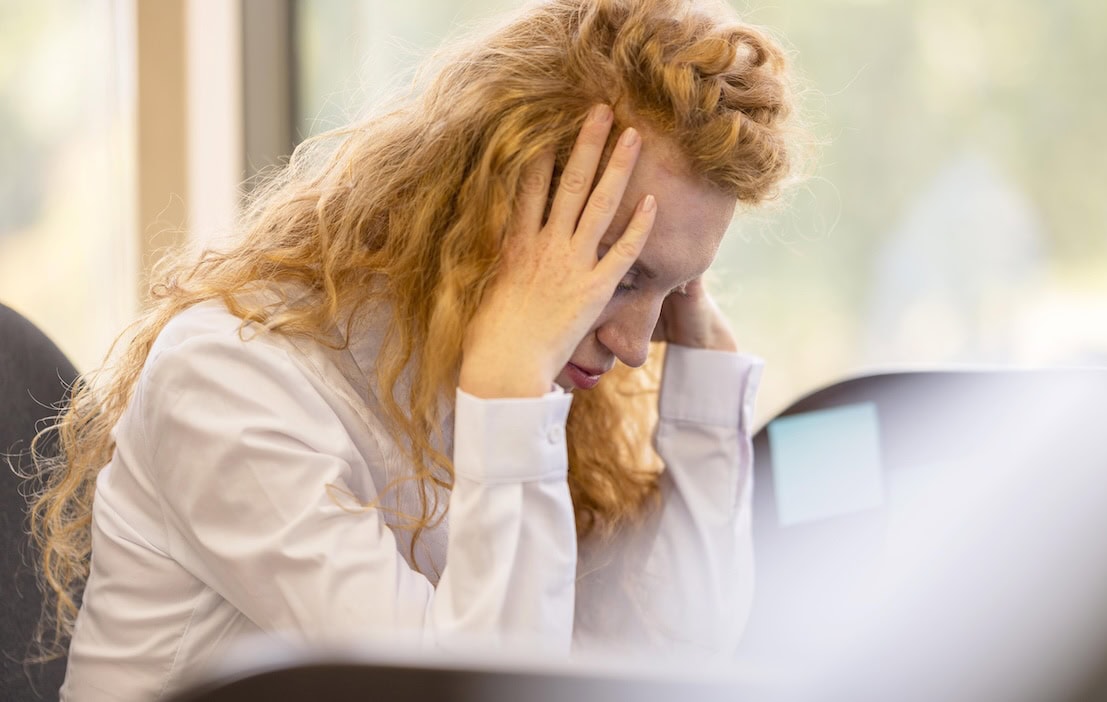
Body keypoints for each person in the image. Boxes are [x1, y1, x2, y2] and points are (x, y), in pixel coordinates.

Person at [29, 0, 800, 699]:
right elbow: (481, 694)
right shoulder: (231, 381)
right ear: (491, 203)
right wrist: (510, 389)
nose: (637, 346)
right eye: (620, 272)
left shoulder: (534, 376)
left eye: (674, 288)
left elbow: (673, 655)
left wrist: (704, 370)